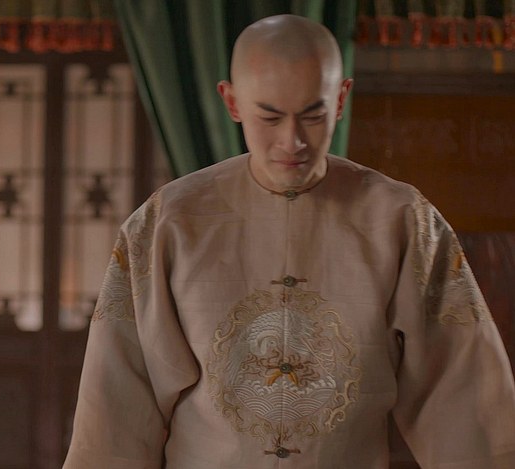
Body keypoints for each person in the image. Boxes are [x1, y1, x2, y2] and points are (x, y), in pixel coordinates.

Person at [63, 14, 515, 468]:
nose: (292, 140)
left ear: (341, 99)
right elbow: (117, 410)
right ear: (232, 101)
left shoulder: (401, 220)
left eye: (313, 115)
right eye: (270, 117)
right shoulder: (169, 222)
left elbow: (462, 397)